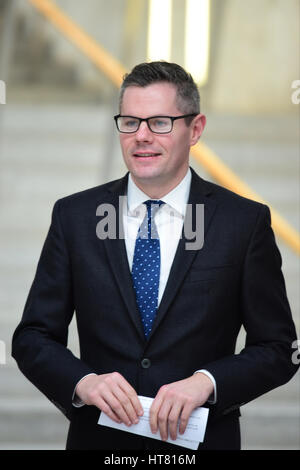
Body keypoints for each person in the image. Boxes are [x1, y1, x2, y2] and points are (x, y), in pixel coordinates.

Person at [12, 61, 299, 451]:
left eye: (159, 122)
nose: (141, 136)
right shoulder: (75, 217)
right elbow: (32, 338)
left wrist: (207, 382)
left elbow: (280, 349)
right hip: (100, 445)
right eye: (130, 122)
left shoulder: (243, 223)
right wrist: (84, 382)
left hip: (199, 446)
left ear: (195, 129)